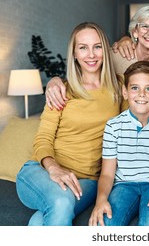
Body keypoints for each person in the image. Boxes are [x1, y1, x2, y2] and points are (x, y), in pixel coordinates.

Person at [16, 22, 126, 226]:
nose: (91, 55)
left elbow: (142, 107)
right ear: (74, 53)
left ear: (105, 49)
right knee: (60, 200)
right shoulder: (61, 91)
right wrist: (54, 169)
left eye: (97, 46)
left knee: (40, 222)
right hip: (41, 171)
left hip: (88, 180)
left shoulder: (119, 88)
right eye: (83, 47)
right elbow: (43, 138)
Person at [45, 5, 149, 125]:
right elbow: (85, 74)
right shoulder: (114, 54)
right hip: (114, 124)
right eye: (144, 26)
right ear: (135, 32)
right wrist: (56, 80)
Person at [88, 61, 149, 226]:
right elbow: (107, 174)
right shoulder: (113, 126)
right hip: (124, 185)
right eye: (135, 88)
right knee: (105, 223)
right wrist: (100, 200)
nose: (141, 94)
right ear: (125, 92)